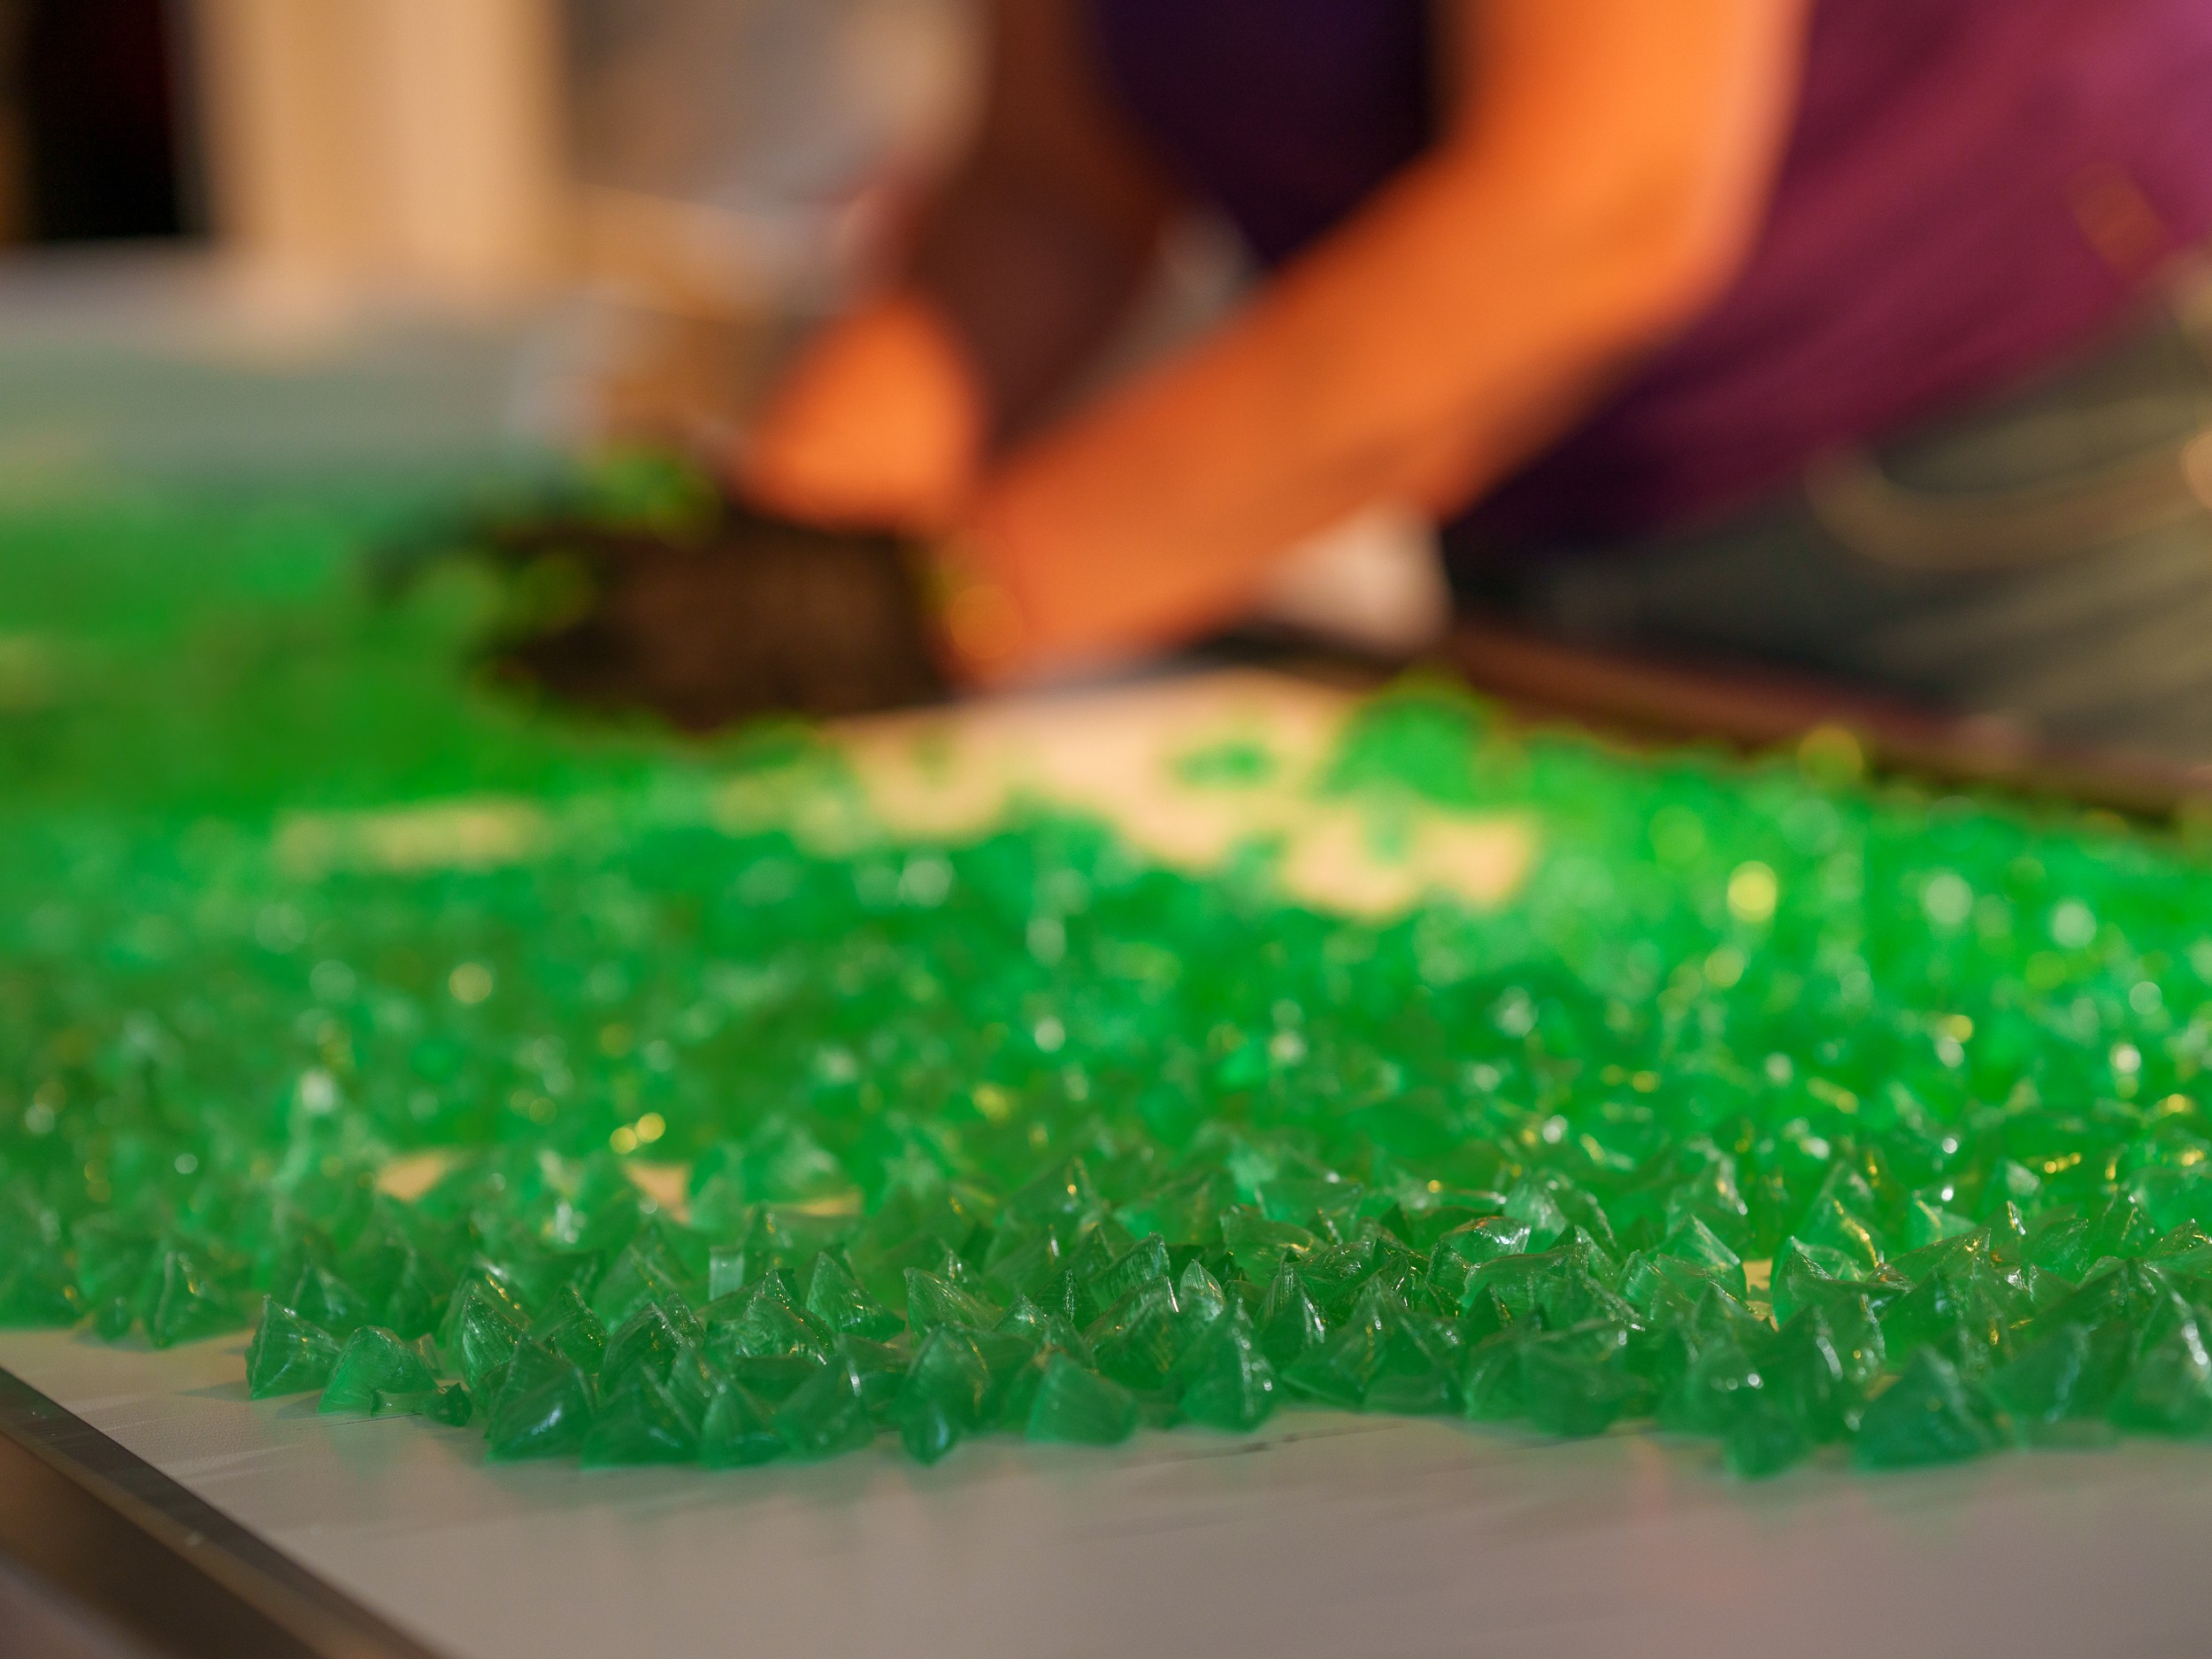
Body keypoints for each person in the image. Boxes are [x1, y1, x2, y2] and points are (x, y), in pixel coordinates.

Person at [738, 0, 2212, 760]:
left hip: (2012, 495)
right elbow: (1051, 190)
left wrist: (962, 592)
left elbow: (1587, 218)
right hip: (1554, 539)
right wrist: (779, 538)